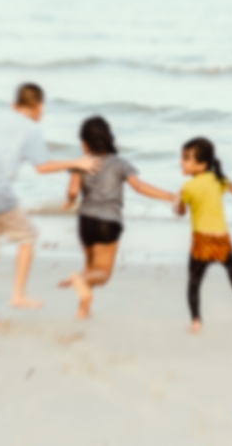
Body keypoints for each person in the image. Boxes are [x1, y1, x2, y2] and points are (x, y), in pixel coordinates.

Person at [0, 83, 99, 326]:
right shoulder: (32, 129)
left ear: (14, 105)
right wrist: (77, 162)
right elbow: (42, 167)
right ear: (39, 107)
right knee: (28, 236)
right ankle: (18, 295)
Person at [59, 116, 176, 318]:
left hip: (85, 221)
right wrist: (170, 196)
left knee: (90, 267)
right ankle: (79, 281)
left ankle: (83, 311)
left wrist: (69, 201)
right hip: (108, 221)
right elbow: (139, 187)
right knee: (102, 274)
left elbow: (72, 191)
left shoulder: (81, 164)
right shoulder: (120, 163)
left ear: (85, 143)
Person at [175, 137, 232, 334]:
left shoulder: (188, 187)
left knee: (194, 282)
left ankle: (196, 320)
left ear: (201, 164)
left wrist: (178, 201)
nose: (181, 163)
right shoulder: (219, 180)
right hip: (221, 238)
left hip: (202, 241)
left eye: (186, 159)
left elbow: (180, 212)